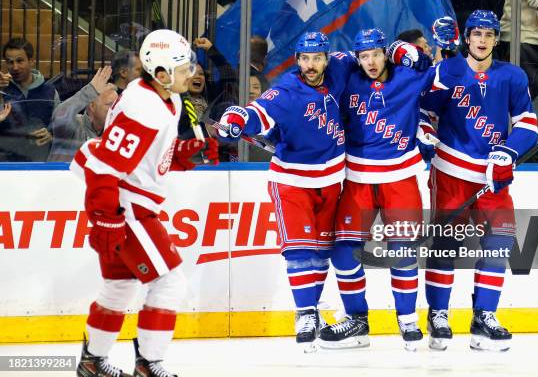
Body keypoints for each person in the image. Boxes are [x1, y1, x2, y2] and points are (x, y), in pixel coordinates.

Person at [72, 29, 218, 377]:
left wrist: (185, 153)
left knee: (119, 287)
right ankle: (149, 364)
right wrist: (106, 219)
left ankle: (92, 362)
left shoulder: (165, 96)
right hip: (129, 207)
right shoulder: (143, 108)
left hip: (131, 200)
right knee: (169, 283)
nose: (192, 73)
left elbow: (147, 155)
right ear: (163, 74)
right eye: (184, 68)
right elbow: (105, 168)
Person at [217, 31, 355, 352]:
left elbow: (368, 57)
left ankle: (314, 309)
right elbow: (256, 113)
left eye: (316, 58)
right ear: (297, 60)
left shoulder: (339, 69)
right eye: (304, 59)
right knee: (299, 250)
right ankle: (305, 314)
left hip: (333, 180)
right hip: (293, 181)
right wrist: (236, 117)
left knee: (322, 252)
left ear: (326, 58)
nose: (310, 65)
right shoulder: (285, 91)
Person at [421, 11, 538, 351]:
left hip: (491, 175)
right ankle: (439, 315)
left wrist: (508, 153)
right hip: (451, 170)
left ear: (496, 39)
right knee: (447, 244)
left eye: (489, 34)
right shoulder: (447, 70)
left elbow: (527, 124)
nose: (483, 40)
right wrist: (426, 134)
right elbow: (424, 111)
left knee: (500, 241)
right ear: (467, 37)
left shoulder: (511, 76)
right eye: (477, 34)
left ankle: (483, 315)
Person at [317, 28, 437, 351]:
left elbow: (429, 66)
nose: (370, 62)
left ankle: (408, 319)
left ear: (385, 52)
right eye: (364, 55)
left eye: (376, 54)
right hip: (357, 178)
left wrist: (403, 48)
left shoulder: (408, 77)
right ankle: (357, 321)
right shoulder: (348, 76)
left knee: (403, 251)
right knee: (343, 251)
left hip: (400, 178)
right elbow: (311, 76)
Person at [0, 37, 60, 160]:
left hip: (41, 164)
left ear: (31, 61)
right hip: (6, 166)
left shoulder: (50, 92)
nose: (15, 67)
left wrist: (52, 136)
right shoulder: (2, 89)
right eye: (10, 62)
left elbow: (62, 128)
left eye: (20, 61)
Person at [47, 66, 117, 162]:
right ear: (92, 106)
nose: (115, 109)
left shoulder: (116, 133)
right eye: (109, 104)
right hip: (60, 176)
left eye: (116, 105)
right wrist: (90, 91)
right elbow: (60, 115)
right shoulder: (74, 125)